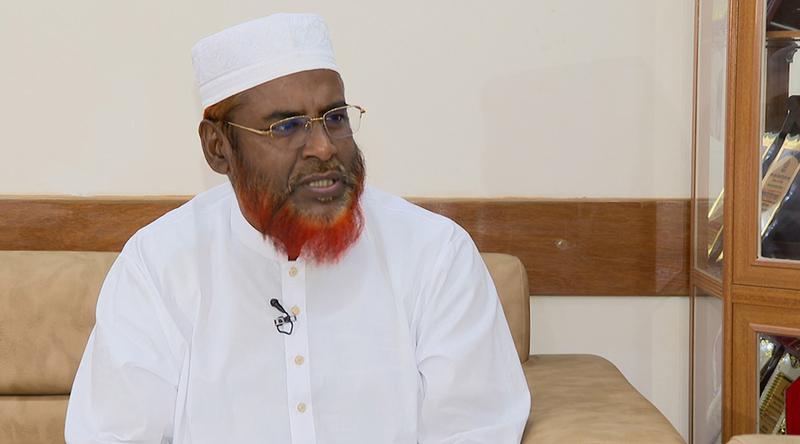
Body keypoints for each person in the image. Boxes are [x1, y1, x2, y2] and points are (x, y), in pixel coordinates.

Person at [65, 13, 530, 444]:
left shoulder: (434, 254)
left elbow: (476, 429)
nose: (324, 148)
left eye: (335, 118)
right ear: (218, 148)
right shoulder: (159, 264)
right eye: (286, 127)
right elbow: (112, 435)